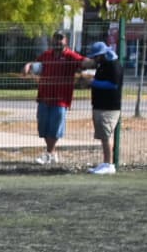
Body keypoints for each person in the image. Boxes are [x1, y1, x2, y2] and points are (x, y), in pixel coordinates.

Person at [26, 31, 92, 166]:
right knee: (43, 127)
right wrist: (28, 65)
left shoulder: (70, 56)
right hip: (44, 97)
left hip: (61, 99)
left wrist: (93, 61)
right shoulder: (47, 55)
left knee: (55, 128)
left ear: (65, 41)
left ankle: (49, 153)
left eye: (60, 39)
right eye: (56, 38)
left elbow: (83, 62)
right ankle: (52, 153)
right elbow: (36, 64)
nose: (58, 41)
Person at [84, 40, 123, 174]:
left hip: (109, 107)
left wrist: (93, 82)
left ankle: (109, 164)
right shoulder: (103, 65)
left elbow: (113, 85)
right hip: (100, 105)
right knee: (103, 135)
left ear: (102, 54)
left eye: (96, 56)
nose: (94, 59)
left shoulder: (114, 65)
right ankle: (106, 162)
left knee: (106, 136)